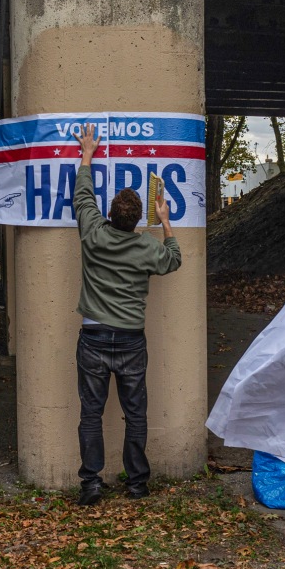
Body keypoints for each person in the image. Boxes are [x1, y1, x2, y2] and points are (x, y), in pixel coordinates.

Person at [71, 123, 182, 506]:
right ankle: (137, 484)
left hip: (93, 337)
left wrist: (87, 154)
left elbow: (83, 196)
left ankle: (92, 485)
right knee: (135, 414)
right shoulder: (147, 247)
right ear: (136, 222)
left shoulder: (93, 234)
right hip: (132, 340)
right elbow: (174, 260)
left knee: (91, 414)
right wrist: (164, 219)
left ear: (110, 216)